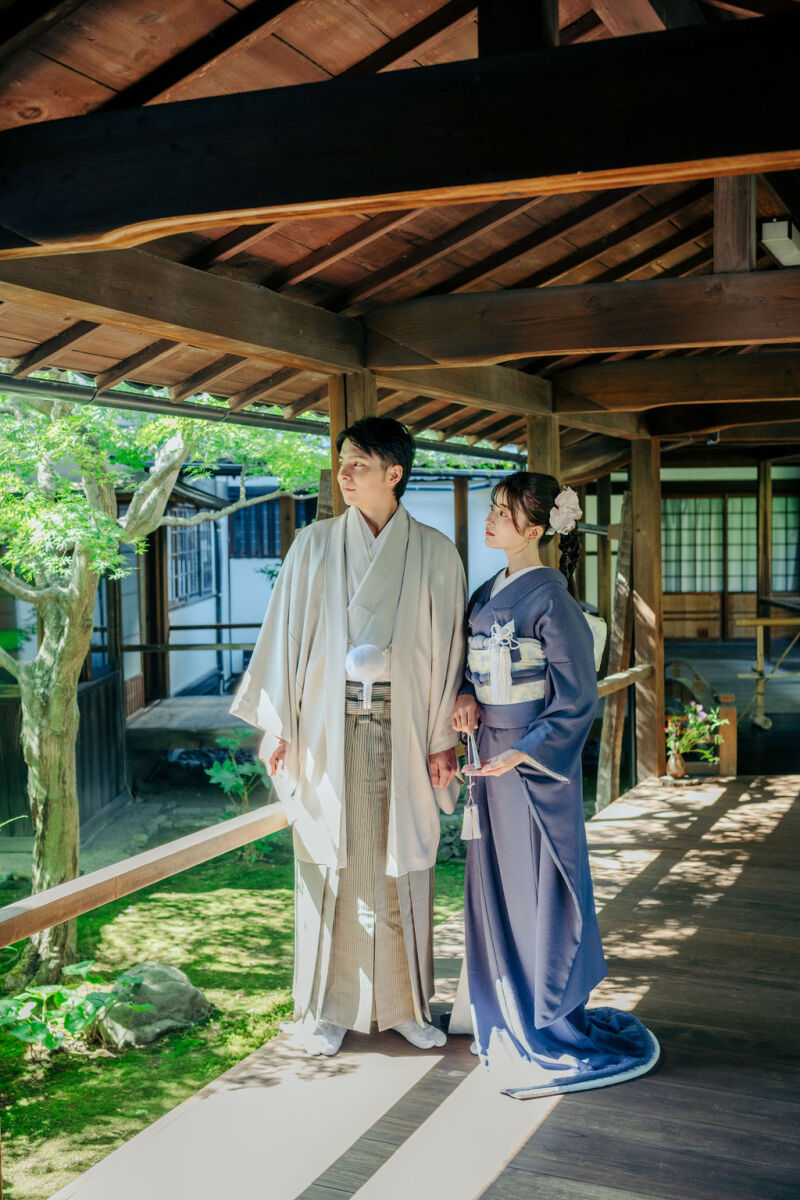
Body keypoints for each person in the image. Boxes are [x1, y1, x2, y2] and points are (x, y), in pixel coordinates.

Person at [232, 417, 466, 1056]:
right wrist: (280, 724)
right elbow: (284, 638)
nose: (343, 475)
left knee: (402, 868)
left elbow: (450, 654)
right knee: (332, 864)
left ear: (395, 473)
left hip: (407, 729)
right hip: (327, 734)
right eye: (341, 463)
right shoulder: (312, 545)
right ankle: (327, 1009)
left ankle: (408, 1006)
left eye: (358, 464)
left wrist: (444, 736)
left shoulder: (437, 553)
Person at [450, 472, 659, 1099]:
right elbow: (471, 665)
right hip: (491, 757)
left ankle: (552, 1019)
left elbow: (575, 701)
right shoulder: (488, 591)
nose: (490, 520)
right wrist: (464, 694)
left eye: (503, 513)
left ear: (536, 529)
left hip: (535, 766)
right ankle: (510, 1010)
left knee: (545, 888)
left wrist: (522, 753)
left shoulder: (553, 601)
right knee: (498, 885)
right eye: (491, 508)